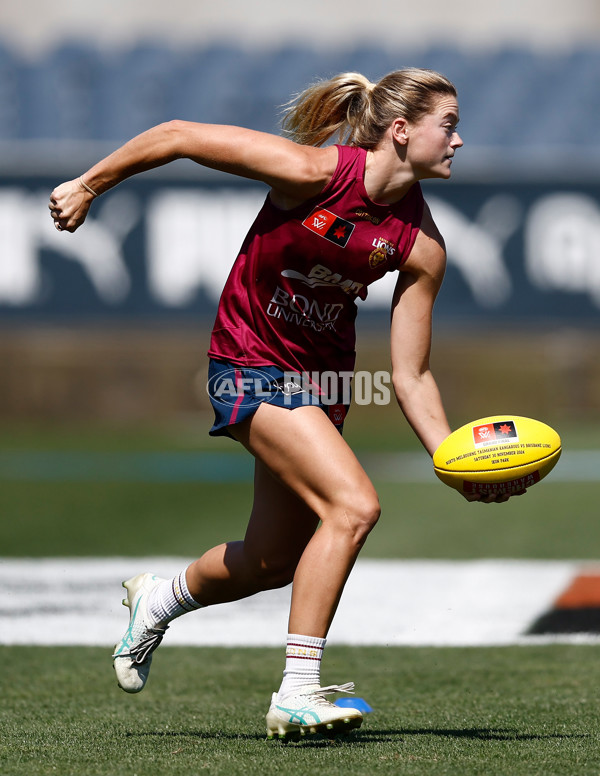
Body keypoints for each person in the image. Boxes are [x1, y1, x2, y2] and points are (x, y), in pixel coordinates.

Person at [48, 67, 522, 742]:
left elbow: (412, 377)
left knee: (271, 561)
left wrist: (456, 464)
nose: (459, 140)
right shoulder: (312, 171)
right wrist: (89, 184)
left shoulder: (422, 247)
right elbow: (180, 135)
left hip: (322, 389)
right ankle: (297, 692)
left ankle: (160, 598)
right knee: (355, 507)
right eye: (448, 125)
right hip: (246, 364)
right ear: (400, 130)